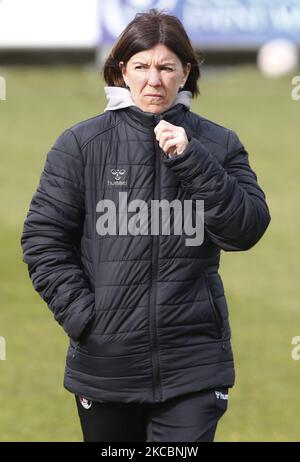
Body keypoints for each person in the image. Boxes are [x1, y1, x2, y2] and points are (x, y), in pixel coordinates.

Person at [20, 8, 271, 442]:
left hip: (193, 364)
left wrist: (192, 159)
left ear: (185, 72)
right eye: (142, 66)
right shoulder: (80, 144)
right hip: (106, 364)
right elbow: (43, 240)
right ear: (122, 71)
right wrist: (85, 318)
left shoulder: (218, 143)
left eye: (166, 67)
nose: (154, 80)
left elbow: (245, 230)